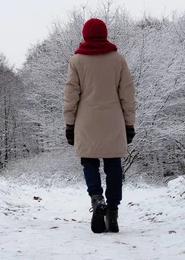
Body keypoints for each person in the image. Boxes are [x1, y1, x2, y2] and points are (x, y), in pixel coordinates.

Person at [63, 18, 136, 234]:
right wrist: (129, 124)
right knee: (113, 166)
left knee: (89, 162)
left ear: (85, 35)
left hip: (86, 122)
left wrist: (69, 123)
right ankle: (112, 215)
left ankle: (96, 199)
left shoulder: (76, 61)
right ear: (105, 34)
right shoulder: (118, 60)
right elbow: (128, 95)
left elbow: (71, 95)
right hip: (113, 122)